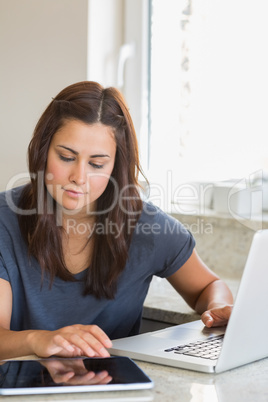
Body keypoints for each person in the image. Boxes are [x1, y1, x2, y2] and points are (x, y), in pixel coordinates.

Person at [0, 81, 233, 360]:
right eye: (66, 157)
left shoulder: (148, 226)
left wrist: (218, 307)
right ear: (42, 150)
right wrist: (40, 340)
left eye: (97, 164)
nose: (79, 176)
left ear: (115, 166)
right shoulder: (5, 220)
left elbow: (207, 287)